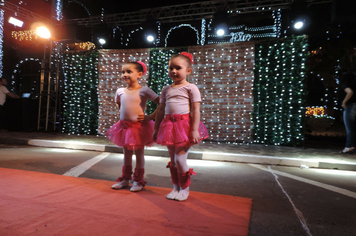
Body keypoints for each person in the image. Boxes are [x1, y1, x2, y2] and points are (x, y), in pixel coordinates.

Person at [153, 52, 209, 201]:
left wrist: (194, 130)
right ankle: (175, 187)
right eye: (171, 68)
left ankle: (185, 188)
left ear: (188, 71)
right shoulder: (166, 89)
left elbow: (196, 109)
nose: (173, 71)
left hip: (184, 127)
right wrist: (156, 129)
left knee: (180, 159)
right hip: (168, 126)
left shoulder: (191, 88)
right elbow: (160, 109)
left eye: (178, 68)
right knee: (172, 160)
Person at [106, 61, 160, 192]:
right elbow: (118, 102)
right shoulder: (120, 91)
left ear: (140, 74)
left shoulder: (144, 90)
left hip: (139, 127)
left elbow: (161, 102)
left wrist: (151, 117)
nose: (125, 74)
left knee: (139, 153)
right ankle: (125, 179)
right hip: (124, 127)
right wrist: (120, 110)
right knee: (127, 154)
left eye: (129, 72)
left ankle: (138, 181)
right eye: (123, 72)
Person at [339, 71, 356, 154]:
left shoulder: (344, 85)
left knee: (349, 129)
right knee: (353, 128)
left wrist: (344, 102)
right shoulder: (354, 85)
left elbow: (350, 92)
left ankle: (348, 146)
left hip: (350, 107)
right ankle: (352, 146)